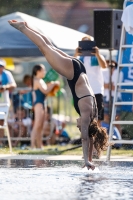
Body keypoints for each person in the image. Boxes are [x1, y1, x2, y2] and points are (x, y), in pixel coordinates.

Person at [8, 20, 108, 170]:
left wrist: (88, 159)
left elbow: (91, 136)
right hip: (74, 72)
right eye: (80, 126)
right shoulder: (87, 113)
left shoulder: (92, 115)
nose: (77, 124)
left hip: (79, 68)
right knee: (44, 48)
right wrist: (87, 161)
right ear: (86, 125)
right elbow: (85, 137)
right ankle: (23, 28)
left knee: (50, 47)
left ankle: (27, 26)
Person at [74, 35, 107, 126]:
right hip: (84, 91)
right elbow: (71, 66)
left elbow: (104, 66)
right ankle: (87, 138)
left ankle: (98, 139)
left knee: (98, 118)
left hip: (97, 90)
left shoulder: (97, 57)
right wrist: (76, 54)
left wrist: (97, 54)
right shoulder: (79, 59)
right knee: (85, 117)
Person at [30, 64, 59, 149]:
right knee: (37, 125)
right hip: (38, 104)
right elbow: (45, 91)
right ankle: (32, 146)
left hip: (43, 103)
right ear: (38, 71)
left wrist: (51, 85)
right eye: (43, 70)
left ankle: (39, 145)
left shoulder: (40, 80)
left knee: (41, 126)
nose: (45, 72)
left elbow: (46, 91)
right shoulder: (36, 80)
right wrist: (53, 84)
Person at [0, 59, 17, 146]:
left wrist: (5, 87)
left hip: (4, 102)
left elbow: (13, 85)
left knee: (3, 122)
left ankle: (2, 141)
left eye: (1, 66)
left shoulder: (7, 74)